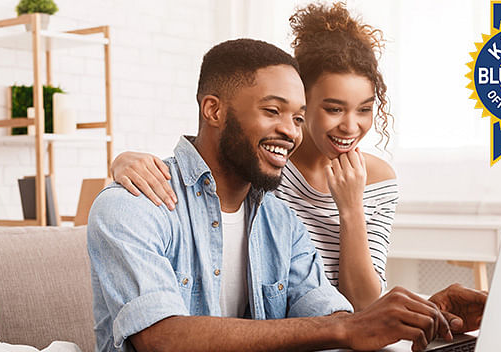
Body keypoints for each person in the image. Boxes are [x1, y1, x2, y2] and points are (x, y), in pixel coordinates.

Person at [88, 38, 486, 352]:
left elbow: (335, 319)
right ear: (214, 109)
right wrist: (345, 329)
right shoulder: (133, 205)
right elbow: (163, 340)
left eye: (298, 118)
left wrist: (420, 316)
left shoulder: (280, 219)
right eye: (273, 111)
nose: (290, 132)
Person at [111, 3, 397, 311]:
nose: (351, 126)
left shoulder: (377, 181)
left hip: (330, 332)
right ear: (306, 101)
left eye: (364, 109)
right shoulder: (264, 164)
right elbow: (208, 157)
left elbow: (362, 307)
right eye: (334, 109)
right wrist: (121, 161)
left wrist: (351, 207)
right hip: (295, 334)